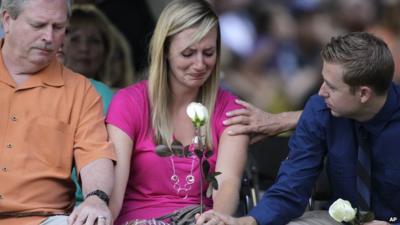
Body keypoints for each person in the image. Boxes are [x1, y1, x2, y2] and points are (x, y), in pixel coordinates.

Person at [197, 32, 400, 225]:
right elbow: (292, 185)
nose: (321, 92)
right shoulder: (320, 110)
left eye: (332, 87)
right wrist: (248, 221)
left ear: (364, 94)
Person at [105, 0, 249, 224]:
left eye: (208, 52)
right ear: (165, 51)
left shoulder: (230, 107)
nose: (200, 64)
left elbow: (228, 182)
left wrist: (217, 219)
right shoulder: (129, 102)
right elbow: (114, 189)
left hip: (197, 219)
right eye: (188, 53)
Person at [0, 0, 116, 225]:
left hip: (44, 220)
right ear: (7, 20)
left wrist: (96, 198)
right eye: (38, 25)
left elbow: (95, 154)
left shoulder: (81, 91)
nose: (49, 37)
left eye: (58, 27)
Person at [62, 4, 134, 89]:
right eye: (74, 39)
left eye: (94, 41)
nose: (84, 48)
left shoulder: (115, 98)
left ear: (106, 50)